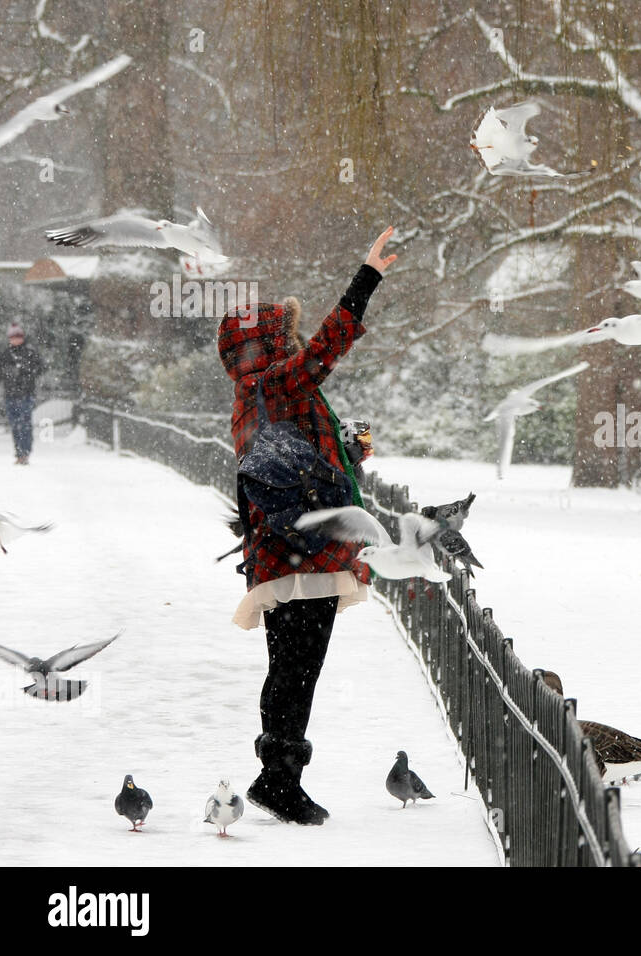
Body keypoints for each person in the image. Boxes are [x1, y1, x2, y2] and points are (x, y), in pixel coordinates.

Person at [217, 227, 397, 825]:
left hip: (287, 554)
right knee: (297, 670)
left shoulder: (259, 394)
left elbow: (296, 460)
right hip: (304, 557)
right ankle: (279, 779)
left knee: (291, 669)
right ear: (266, 347)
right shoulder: (272, 383)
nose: (295, 347)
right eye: (283, 339)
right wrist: (365, 278)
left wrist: (348, 449)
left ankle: (279, 773)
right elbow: (327, 348)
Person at [0, 322, 46, 465]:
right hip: (10, 394)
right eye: (13, 337)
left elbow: (41, 368)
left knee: (24, 423)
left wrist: (26, 372)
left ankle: (25, 451)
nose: (16, 339)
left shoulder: (30, 353)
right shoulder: (5, 355)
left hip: (26, 394)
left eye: (18, 336)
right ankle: (19, 451)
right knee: (14, 425)